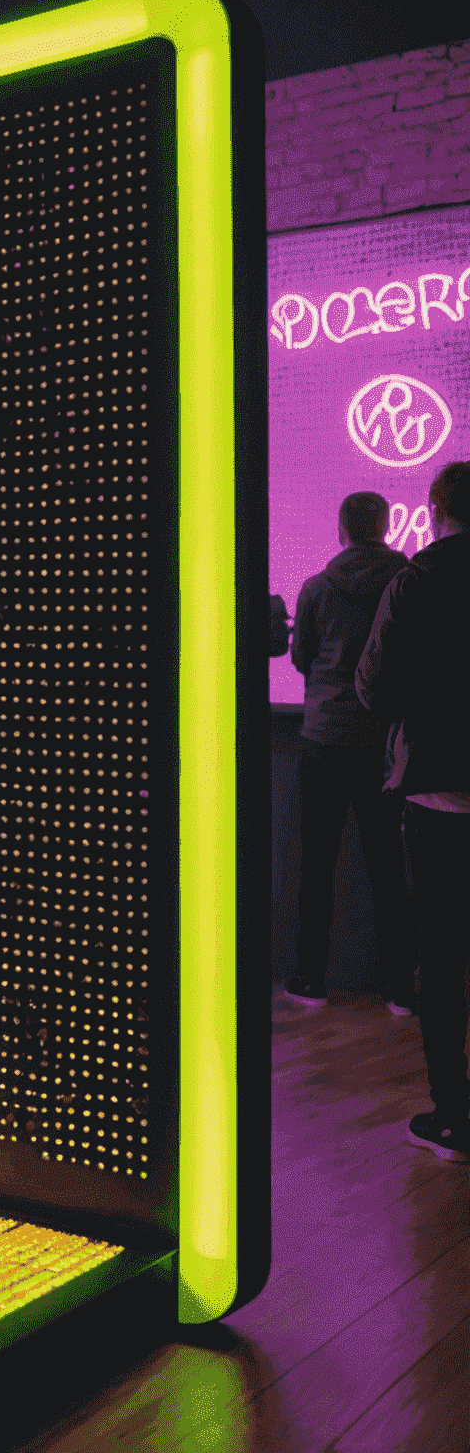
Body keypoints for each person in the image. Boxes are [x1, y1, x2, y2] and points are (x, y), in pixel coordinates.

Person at [357, 461, 470, 1163]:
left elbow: (373, 689)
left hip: (437, 790)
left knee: (443, 953)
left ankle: (453, 1117)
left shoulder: (417, 580)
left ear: (432, 510)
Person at [286, 491, 412, 1013]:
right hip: (381, 742)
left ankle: (309, 981)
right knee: (388, 868)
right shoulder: (407, 580)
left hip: (322, 739)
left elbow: (301, 658)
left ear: (341, 528)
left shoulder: (316, 586)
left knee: (316, 864)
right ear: (385, 527)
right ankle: (399, 990)